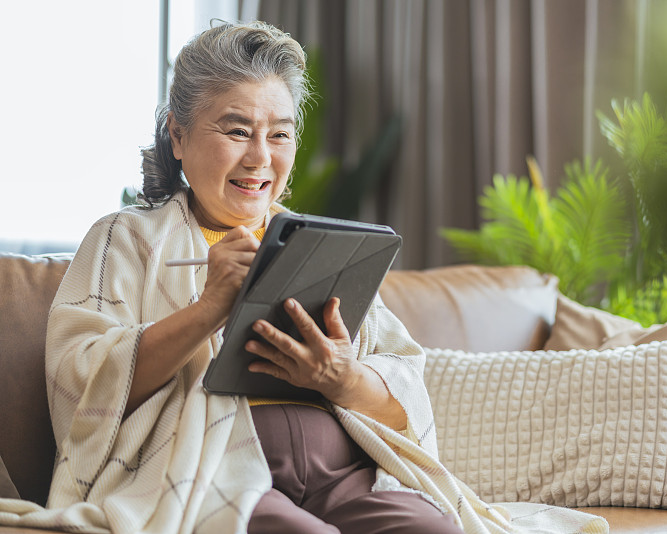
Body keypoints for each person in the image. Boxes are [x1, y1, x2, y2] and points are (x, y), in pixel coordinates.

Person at [38, 21, 512, 534]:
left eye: (279, 134)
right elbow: (79, 381)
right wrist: (208, 310)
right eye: (237, 131)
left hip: (344, 472)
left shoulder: (319, 246)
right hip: (209, 470)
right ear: (178, 135)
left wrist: (344, 377)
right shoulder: (125, 239)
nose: (260, 157)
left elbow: (404, 388)